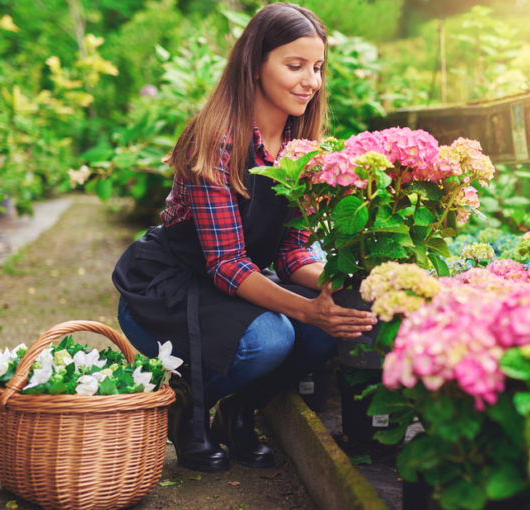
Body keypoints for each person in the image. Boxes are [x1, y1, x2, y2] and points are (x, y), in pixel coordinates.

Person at [112, 3, 376, 473]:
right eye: (294, 66)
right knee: (272, 337)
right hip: (167, 292)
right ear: (255, 65)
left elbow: (293, 252)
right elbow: (227, 262)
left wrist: (337, 285)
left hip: (229, 289)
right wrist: (305, 306)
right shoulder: (214, 140)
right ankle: (185, 409)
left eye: (317, 68)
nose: (310, 82)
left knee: (326, 327)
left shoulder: (302, 148)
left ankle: (239, 410)